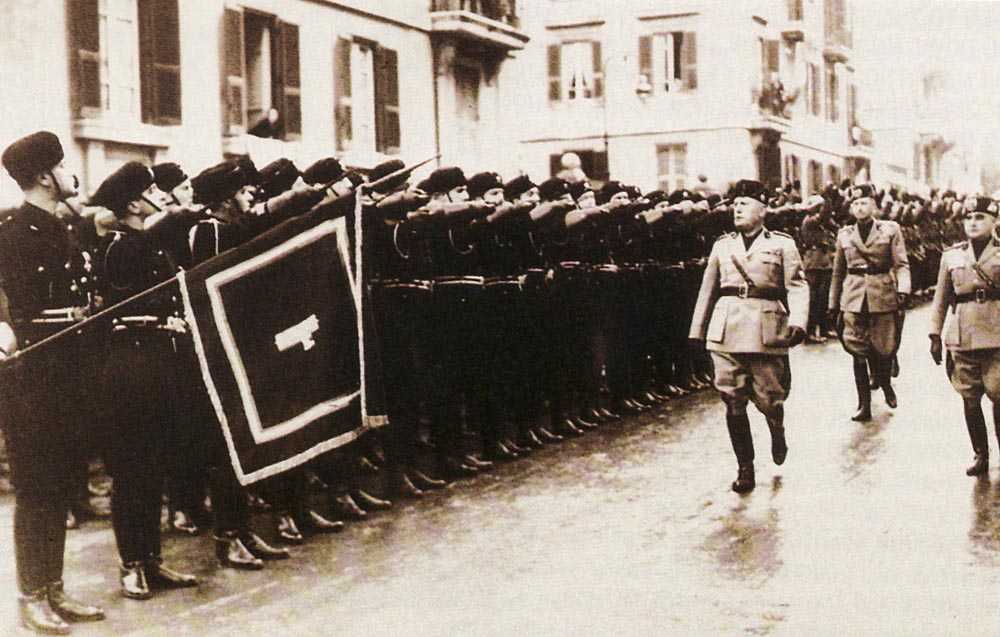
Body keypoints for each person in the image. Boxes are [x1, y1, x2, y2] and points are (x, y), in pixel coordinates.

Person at [0, 131, 107, 634]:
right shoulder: (13, 231)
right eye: (63, 167)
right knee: (38, 489)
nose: (70, 176)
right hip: (33, 381)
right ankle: (30, 596)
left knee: (62, 484)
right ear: (45, 175)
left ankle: (56, 589)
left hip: (69, 374)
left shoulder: (63, 227)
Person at [91, 162, 201, 600]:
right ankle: (131, 564)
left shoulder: (149, 243)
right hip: (131, 366)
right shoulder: (121, 246)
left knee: (154, 465)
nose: (163, 196)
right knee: (133, 470)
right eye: (153, 190)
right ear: (134, 203)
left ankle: (152, 560)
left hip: (158, 363)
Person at [689, 179, 809, 494]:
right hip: (726, 328)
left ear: (763, 209)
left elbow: (796, 286)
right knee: (732, 400)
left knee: (770, 398)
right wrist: (696, 331)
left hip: (765, 329)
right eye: (735, 204)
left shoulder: (782, 244)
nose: (737, 208)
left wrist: (799, 322)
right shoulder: (722, 245)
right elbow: (708, 289)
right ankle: (745, 468)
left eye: (745, 203)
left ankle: (776, 425)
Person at [928, 196, 1000, 476]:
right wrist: (935, 333)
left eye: (980, 217)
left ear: (995, 221)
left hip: (996, 335)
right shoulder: (952, 255)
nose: (973, 222)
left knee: (999, 394)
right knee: (969, 397)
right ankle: (980, 454)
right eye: (969, 218)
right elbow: (941, 298)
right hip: (962, 335)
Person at [828, 183, 910, 421]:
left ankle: (885, 383)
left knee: (884, 349)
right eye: (854, 204)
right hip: (853, 297)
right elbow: (837, 272)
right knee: (857, 351)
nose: (859, 207)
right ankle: (864, 404)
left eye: (864, 202)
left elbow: (901, 264)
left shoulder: (890, 230)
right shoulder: (844, 234)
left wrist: (903, 289)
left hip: (882, 293)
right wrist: (833, 303)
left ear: (873, 205)